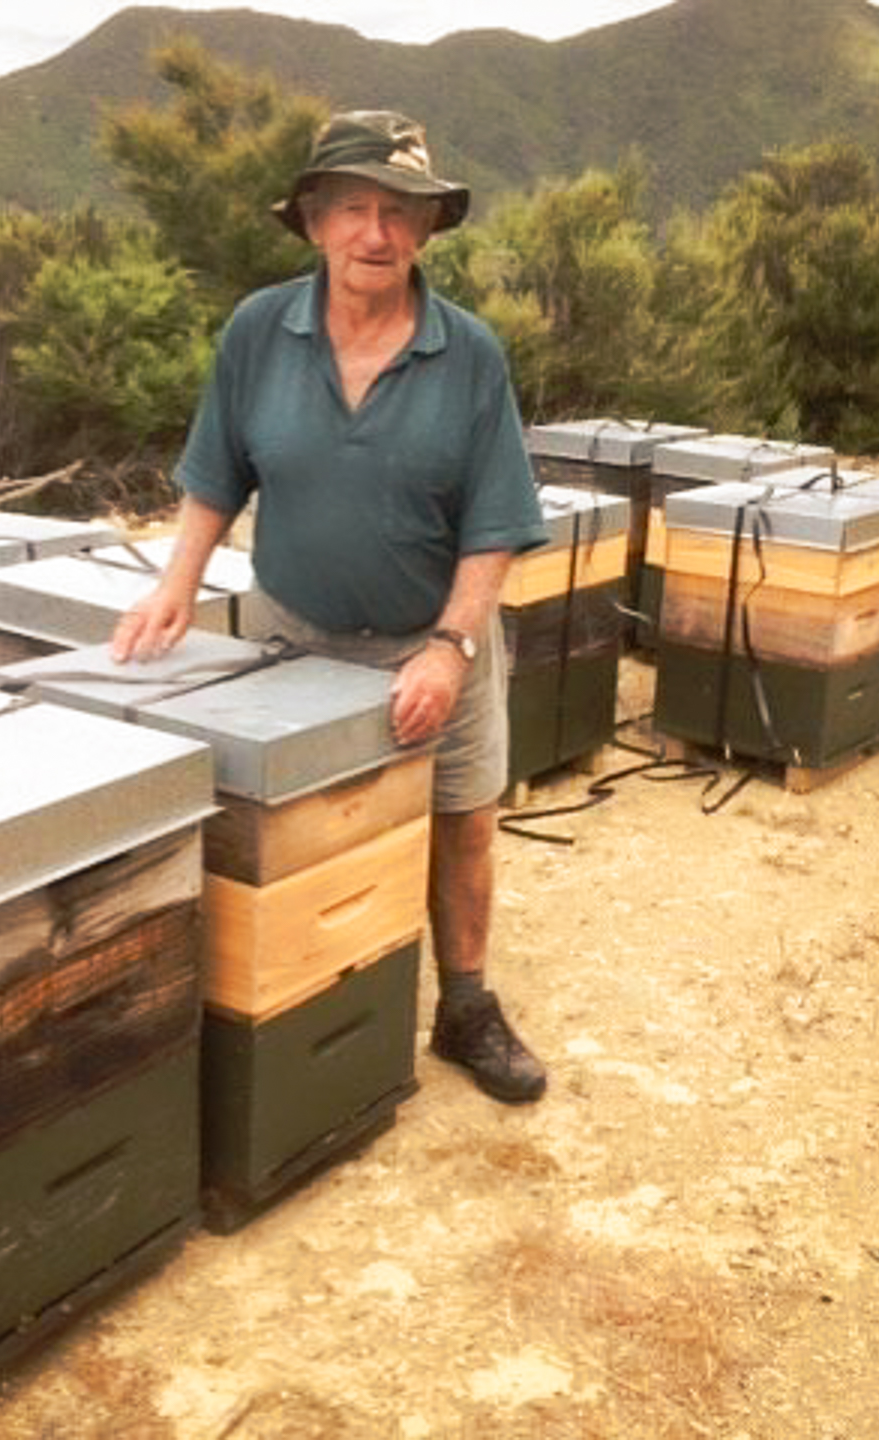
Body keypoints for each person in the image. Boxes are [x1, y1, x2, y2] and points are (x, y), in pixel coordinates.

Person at [111, 109, 549, 1104]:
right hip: (289, 638)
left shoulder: (470, 355)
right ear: (313, 221)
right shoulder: (258, 331)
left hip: (432, 641)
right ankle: (297, 1020)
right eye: (352, 207)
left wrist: (450, 647)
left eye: (399, 212)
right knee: (296, 845)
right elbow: (216, 471)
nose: (375, 233)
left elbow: (495, 525)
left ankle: (466, 1006)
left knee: (464, 822)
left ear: (427, 229)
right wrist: (176, 585)